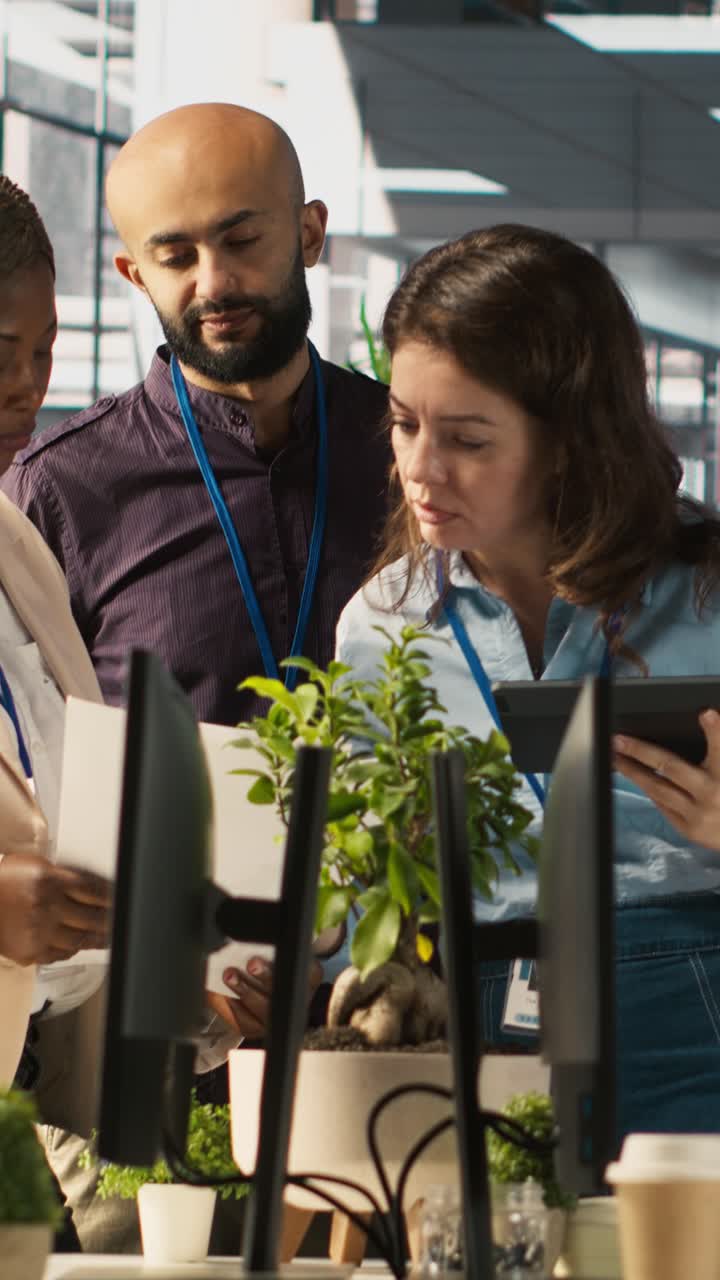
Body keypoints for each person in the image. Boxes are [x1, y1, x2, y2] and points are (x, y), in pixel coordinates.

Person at [2, 101, 390, 1048]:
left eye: (241, 239)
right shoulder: (55, 494)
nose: (213, 282)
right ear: (135, 272)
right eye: (174, 256)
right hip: (137, 1032)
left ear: (308, 232)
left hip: (392, 1007)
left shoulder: (413, 460)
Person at [336, 222, 720, 1142]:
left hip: (688, 1009)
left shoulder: (706, 596)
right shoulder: (383, 627)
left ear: (568, 442)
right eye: (404, 423)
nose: (421, 469)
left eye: (467, 438)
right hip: (470, 1020)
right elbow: (360, 897)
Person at [0, 174, 112, 1245]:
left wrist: (187, 978)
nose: (28, 389)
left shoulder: (19, 535)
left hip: (32, 1093)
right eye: (1, 351)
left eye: (42, 351)